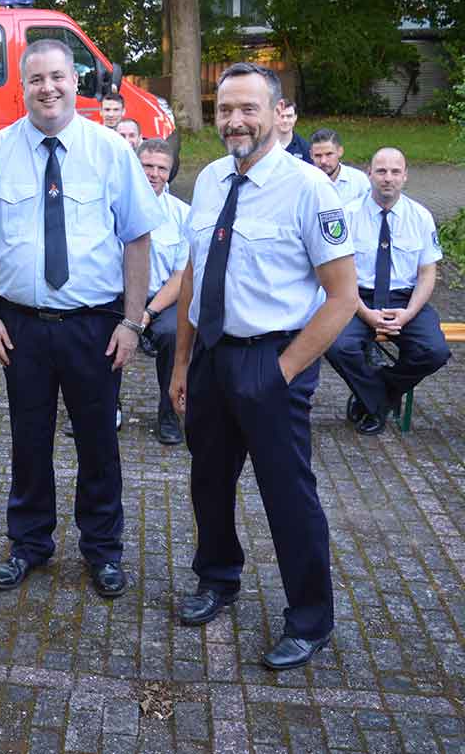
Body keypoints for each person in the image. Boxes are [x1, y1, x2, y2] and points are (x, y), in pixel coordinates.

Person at [169, 63, 357, 670]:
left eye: (248, 108)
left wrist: (283, 371)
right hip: (212, 358)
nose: (235, 121)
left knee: (288, 495)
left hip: (272, 361)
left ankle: (309, 618)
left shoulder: (309, 189)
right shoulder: (208, 180)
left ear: (278, 114)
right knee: (210, 481)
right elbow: (197, 275)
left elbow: (342, 297)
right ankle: (218, 578)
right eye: (225, 109)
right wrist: (180, 365)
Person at [0, 38, 160, 598]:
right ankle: (29, 544)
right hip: (20, 326)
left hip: (95, 326)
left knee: (98, 442)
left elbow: (137, 237)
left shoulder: (110, 151)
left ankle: (102, 549)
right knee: (29, 438)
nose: (48, 88)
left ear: (77, 82)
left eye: (58, 77)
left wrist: (132, 322)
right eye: (36, 79)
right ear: (22, 88)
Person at [324, 147, 450, 434]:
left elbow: (427, 273)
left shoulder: (420, 216)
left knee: (434, 351)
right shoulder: (347, 216)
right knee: (337, 346)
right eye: (381, 171)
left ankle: (376, 396)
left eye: (395, 172)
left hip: (405, 299)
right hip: (356, 298)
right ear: (369, 174)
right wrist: (365, 312)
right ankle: (379, 401)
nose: (387, 178)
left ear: (405, 176)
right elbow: (337, 274)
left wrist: (408, 314)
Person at [137, 139, 189, 445]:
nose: (154, 174)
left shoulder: (183, 214)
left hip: (163, 299)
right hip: (120, 295)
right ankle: (105, 411)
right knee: (96, 328)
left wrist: (148, 313)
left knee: (174, 335)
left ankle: (169, 415)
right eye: (147, 166)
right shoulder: (109, 207)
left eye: (161, 168)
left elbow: (181, 276)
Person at [309, 128, 370, 205]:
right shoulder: (303, 183)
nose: (323, 161)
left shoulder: (359, 180)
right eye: (318, 155)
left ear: (340, 151)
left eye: (329, 154)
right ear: (311, 155)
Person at [276, 98, 311, 163]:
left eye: (289, 116)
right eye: (281, 116)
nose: (285, 120)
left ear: (295, 117)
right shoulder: (263, 146)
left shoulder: (305, 148)